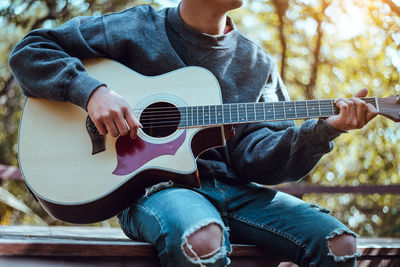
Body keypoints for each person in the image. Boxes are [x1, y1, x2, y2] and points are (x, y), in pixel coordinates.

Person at [9, 0, 377, 266]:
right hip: (151, 190)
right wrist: (91, 92)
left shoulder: (257, 63)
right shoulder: (137, 26)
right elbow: (30, 50)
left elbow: (257, 160)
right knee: (200, 239)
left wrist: (325, 129)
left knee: (338, 245)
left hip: (233, 190)